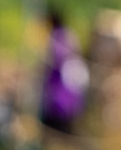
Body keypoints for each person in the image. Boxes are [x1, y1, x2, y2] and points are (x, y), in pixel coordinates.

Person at [38, 10, 89, 139]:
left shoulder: (58, 35)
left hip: (61, 82)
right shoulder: (69, 33)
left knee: (60, 112)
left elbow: (57, 58)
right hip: (67, 80)